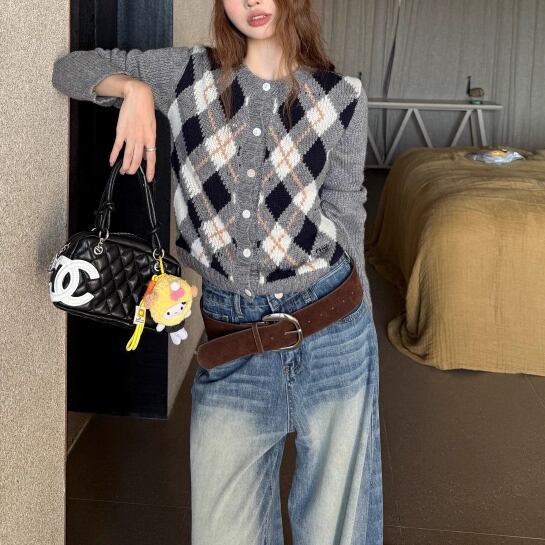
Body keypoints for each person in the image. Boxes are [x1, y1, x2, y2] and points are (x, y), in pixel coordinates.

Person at [51, 0, 383, 543]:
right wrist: (133, 89)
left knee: (337, 528)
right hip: (232, 340)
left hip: (332, 331)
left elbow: (348, 212)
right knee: (223, 530)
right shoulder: (186, 74)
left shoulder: (341, 96)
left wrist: (361, 322)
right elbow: (69, 69)